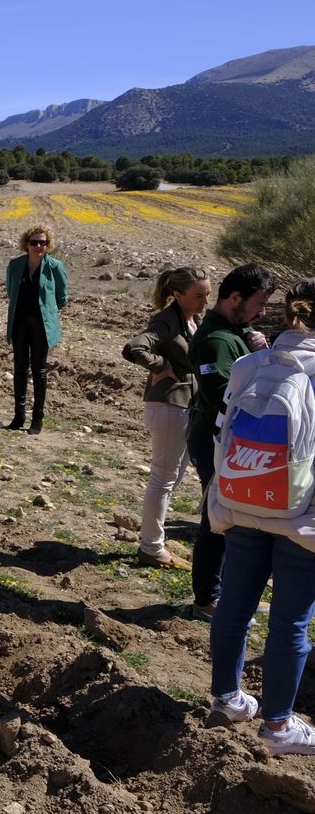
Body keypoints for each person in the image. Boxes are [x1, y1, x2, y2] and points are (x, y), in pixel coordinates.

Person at [206, 277, 315, 755]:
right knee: (290, 623)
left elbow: (222, 430)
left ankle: (226, 699)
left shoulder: (250, 364)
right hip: (302, 518)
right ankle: (278, 727)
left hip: (244, 500)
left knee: (234, 605)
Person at [187, 263, 275, 620]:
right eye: (259, 303)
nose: (263, 312)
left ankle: (222, 593)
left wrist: (260, 350)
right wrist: (261, 363)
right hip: (215, 441)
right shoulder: (216, 341)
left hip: (230, 441)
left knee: (230, 518)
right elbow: (222, 394)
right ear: (235, 298)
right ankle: (207, 599)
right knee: (217, 520)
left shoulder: (237, 331)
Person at [122, 267, 212, 570]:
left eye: (208, 294)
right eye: (199, 295)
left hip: (184, 407)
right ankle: (151, 548)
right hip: (169, 407)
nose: (205, 301)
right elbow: (134, 347)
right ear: (177, 294)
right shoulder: (167, 320)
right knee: (162, 479)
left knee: (170, 479)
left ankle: (154, 540)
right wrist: (160, 366)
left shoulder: (191, 319)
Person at [4, 225, 69, 433]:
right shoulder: (15, 265)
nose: (38, 246)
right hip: (20, 322)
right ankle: (18, 416)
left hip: (42, 325)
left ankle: (37, 418)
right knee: (20, 368)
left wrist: (48, 311)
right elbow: (10, 290)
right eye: (34, 242)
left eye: (43, 242)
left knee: (39, 369)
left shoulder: (54, 266)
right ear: (27, 244)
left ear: (48, 245)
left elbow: (62, 297)